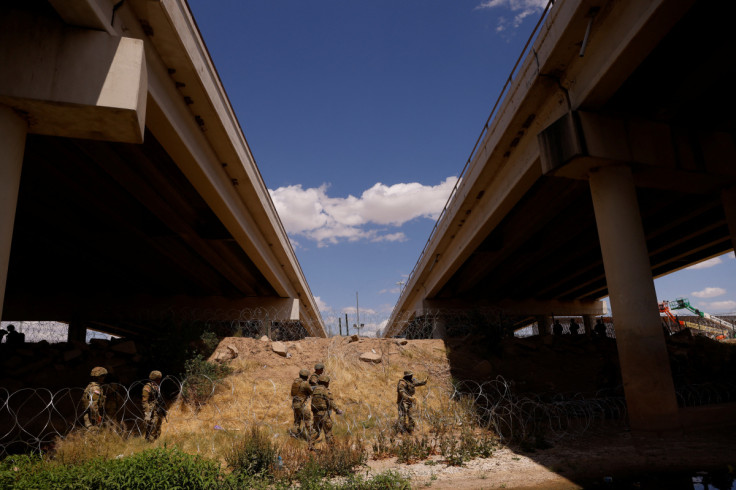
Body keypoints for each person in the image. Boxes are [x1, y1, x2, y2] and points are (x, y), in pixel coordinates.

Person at [310, 375, 342, 447]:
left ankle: (310, 446)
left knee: (315, 430)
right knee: (328, 432)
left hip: (316, 414)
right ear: (325, 382)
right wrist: (337, 410)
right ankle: (331, 449)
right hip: (324, 414)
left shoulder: (315, 391)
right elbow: (330, 402)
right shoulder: (325, 391)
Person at [289, 368, 313, 440]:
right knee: (307, 419)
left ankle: (294, 435)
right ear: (306, 376)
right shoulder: (305, 383)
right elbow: (311, 392)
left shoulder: (296, 382)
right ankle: (313, 436)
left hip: (295, 404)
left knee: (297, 421)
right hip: (301, 405)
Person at [142, 370, 166, 441]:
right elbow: (145, 401)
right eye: (158, 379)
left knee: (158, 425)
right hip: (151, 409)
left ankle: (156, 440)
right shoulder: (147, 387)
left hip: (158, 409)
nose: (159, 381)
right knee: (152, 425)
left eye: (159, 379)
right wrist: (147, 414)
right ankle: (150, 441)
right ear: (154, 379)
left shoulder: (157, 387)